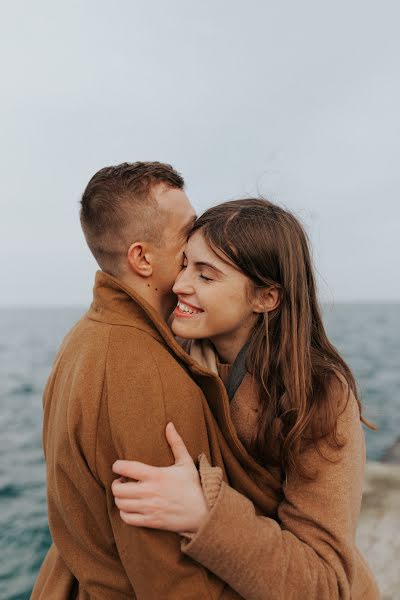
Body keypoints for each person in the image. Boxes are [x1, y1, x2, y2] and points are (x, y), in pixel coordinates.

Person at [111, 198, 381, 600]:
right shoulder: (171, 355)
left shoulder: (321, 396)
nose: (181, 284)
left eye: (206, 275)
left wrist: (206, 514)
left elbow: (324, 584)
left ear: (265, 298)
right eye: (185, 264)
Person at [32, 161, 256, 599]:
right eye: (187, 233)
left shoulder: (80, 342)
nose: (199, 243)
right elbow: (174, 581)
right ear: (141, 257)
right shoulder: (146, 375)